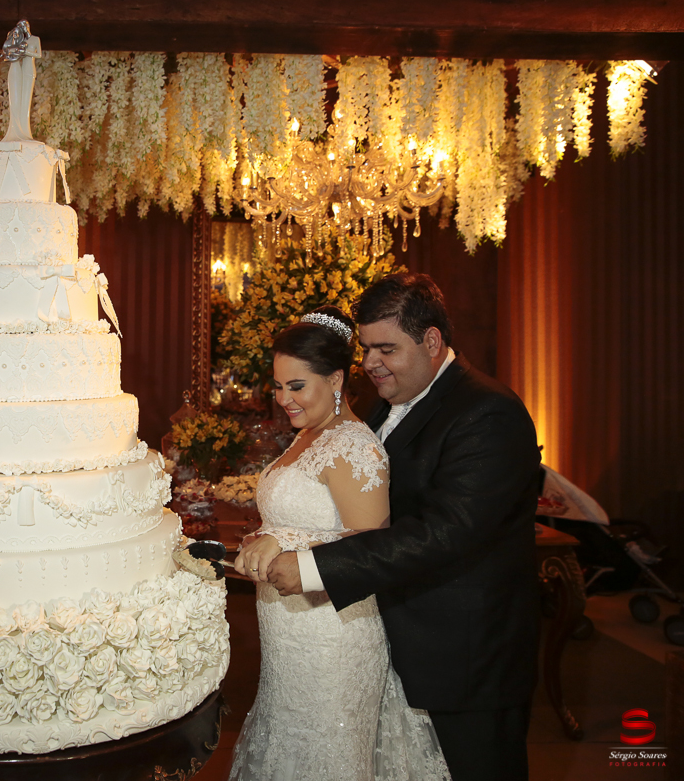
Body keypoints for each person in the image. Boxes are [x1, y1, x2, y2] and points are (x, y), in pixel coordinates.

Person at [265, 274, 542, 781]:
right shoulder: (379, 404)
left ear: (431, 341)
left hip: (464, 658)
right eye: (366, 348)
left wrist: (313, 565)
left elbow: (446, 532)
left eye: (386, 348)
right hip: (389, 644)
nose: (370, 363)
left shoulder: (488, 413)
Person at [228, 305, 450, 780]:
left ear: (335, 380)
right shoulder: (306, 435)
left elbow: (372, 546)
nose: (284, 398)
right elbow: (302, 523)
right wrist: (264, 537)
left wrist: (284, 539)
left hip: (334, 636)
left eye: (297, 386)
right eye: (279, 386)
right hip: (289, 635)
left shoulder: (353, 443)